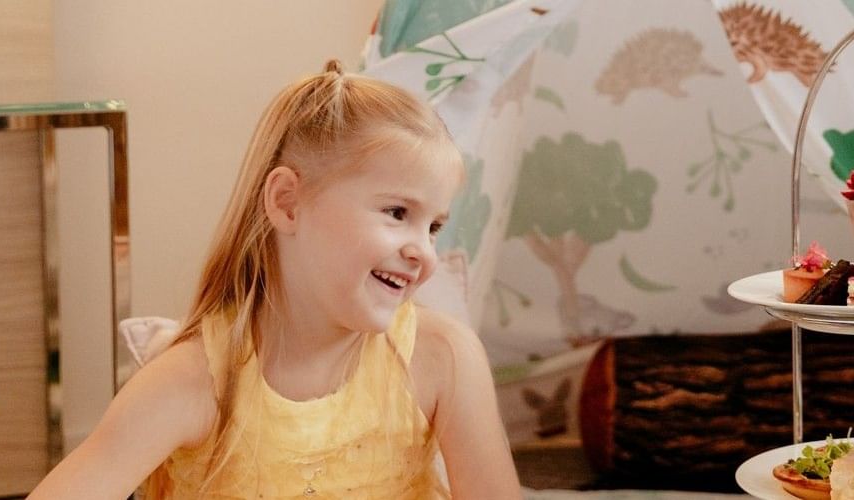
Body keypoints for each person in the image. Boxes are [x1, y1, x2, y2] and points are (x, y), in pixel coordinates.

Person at [29, 60, 522, 499]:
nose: (424, 252)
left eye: (434, 226)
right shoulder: (191, 383)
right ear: (287, 202)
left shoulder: (443, 358)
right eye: (397, 212)